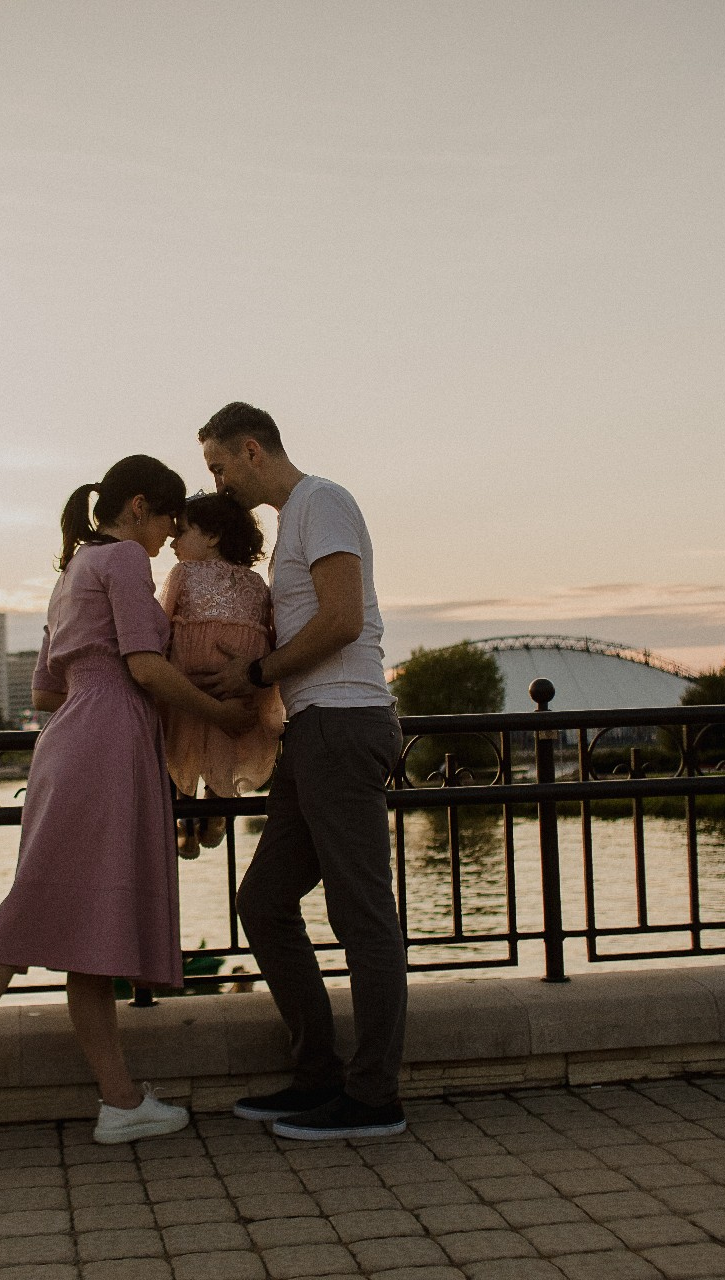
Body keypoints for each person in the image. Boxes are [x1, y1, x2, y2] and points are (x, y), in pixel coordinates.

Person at [0, 455, 256, 1167]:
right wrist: (222, 715)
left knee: (91, 926)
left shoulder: (73, 572)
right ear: (143, 507)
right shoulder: (121, 558)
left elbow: (46, 691)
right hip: (104, 746)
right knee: (32, 913)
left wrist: (104, 691)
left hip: (80, 739)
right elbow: (148, 667)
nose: (167, 539)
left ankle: (119, 1102)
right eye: (170, 522)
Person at [197, 402, 408, 1141]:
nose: (217, 484)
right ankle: (318, 1074)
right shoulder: (296, 520)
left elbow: (343, 618)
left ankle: (374, 1096)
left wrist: (259, 669)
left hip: (344, 723)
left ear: (251, 450)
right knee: (263, 901)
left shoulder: (324, 500)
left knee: (362, 915)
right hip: (311, 730)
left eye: (219, 467)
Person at [159, 492, 286, 855]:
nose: (172, 541)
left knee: (184, 737)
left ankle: (189, 810)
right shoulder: (258, 583)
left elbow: (160, 621)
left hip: (194, 678)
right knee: (212, 738)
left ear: (213, 536)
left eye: (181, 532)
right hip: (229, 681)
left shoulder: (182, 574)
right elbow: (269, 635)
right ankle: (211, 807)